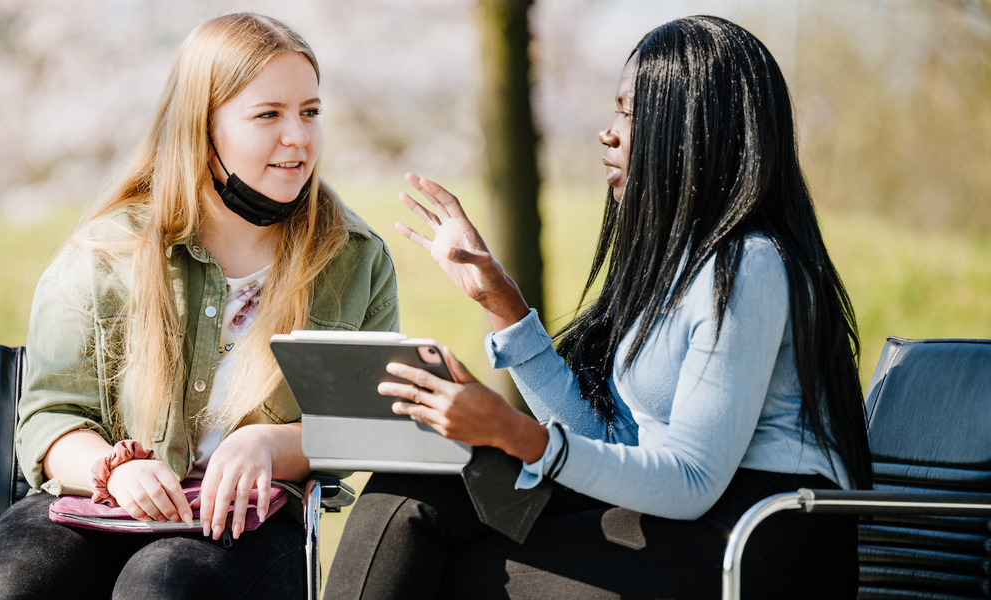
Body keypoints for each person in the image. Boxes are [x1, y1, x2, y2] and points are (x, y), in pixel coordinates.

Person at [326, 15, 870, 600]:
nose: (607, 133)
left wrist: (514, 433)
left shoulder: (751, 266)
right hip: (677, 515)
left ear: (695, 130)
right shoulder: (678, 267)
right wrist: (502, 304)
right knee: (413, 492)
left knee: (465, 574)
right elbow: (604, 441)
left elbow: (693, 480)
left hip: (759, 538)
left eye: (631, 114)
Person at [0, 13, 398, 600]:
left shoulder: (355, 259)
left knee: (165, 586)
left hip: (249, 524)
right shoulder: (108, 251)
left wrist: (269, 444)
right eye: (268, 114)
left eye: (310, 112)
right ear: (203, 128)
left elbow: (363, 426)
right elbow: (50, 417)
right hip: (96, 504)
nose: (298, 136)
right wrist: (113, 470)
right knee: (12, 584)